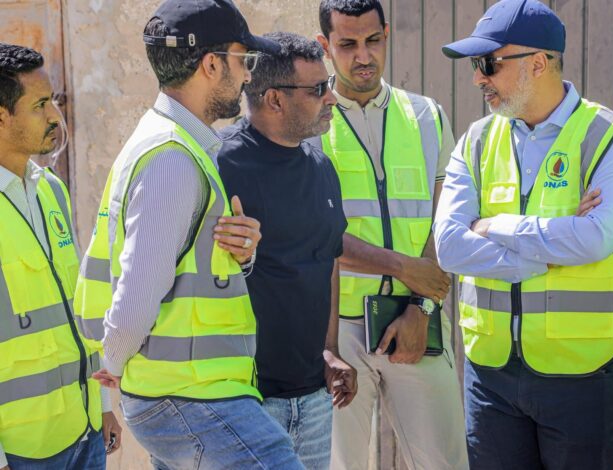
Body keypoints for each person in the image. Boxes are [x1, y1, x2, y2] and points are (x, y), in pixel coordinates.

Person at [73, 1, 304, 468]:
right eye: (244, 60)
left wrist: (238, 257)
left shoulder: (174, 145)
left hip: (186, 394)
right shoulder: (172, 159)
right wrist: (111, 368)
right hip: (189, 396)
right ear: (211, 64)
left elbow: (175, 268)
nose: (248, 76)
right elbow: (138, 291)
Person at [435, 0, 613, 468]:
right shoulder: (475, 141)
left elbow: (596, 239)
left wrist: (494, 225)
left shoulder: (609, 137)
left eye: (488, 63)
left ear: (538, 63)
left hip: (584, 378)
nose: (477, 79)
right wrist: (550, 250)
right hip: (490, 378)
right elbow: (449, 247)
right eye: (476, 65)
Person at [309, 1, 469, 468]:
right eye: (347, 44)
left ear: (387, 35)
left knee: (446, 463)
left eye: (373, 41)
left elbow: (446, 220)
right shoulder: (310, 122)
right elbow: (314, 234)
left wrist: (423, 306)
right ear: (324, 46)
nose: (364, 56)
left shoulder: (427, 116)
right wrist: (403, 267)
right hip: (336, 331)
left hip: (416, 319)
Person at [217, 31, 357, 469]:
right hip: (246, 401)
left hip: (314, 400)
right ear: (275, 99)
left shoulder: (322, 168)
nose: (332, 97)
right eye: (318, 89)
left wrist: (330, 350)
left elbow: (328, 260)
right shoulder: (221, 165)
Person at [0, 43, 122, 470]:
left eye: (51, 100)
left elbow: (79, 305)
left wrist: (103, 404)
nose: (55, 115)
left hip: (84, 431)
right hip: (23, 450)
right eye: (39, 105)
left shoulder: (52, 190)